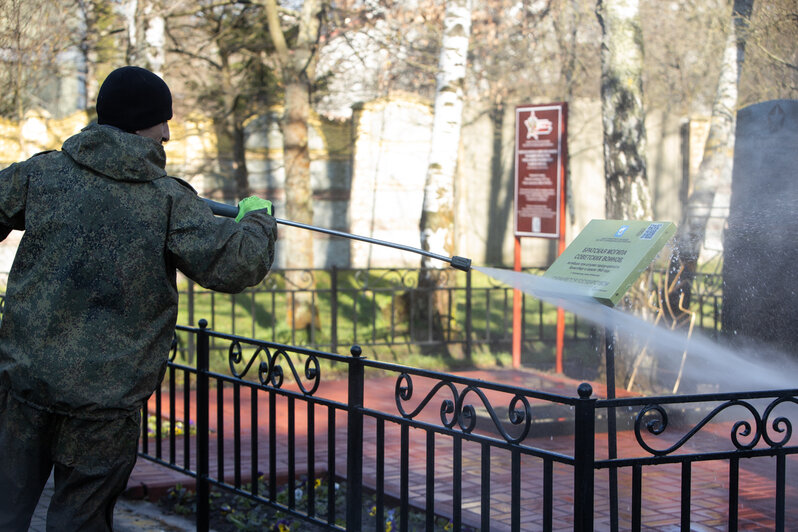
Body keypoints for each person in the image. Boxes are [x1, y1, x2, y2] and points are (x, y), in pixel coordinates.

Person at [0, 65, 277, 530]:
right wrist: (257, 218)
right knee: (79, 523)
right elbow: (237, 263)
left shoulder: (42, 174)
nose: (167, 132)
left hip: (25, 385)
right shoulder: (168, 200)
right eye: (162, 120)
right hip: (104, 407)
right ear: (137, 121)